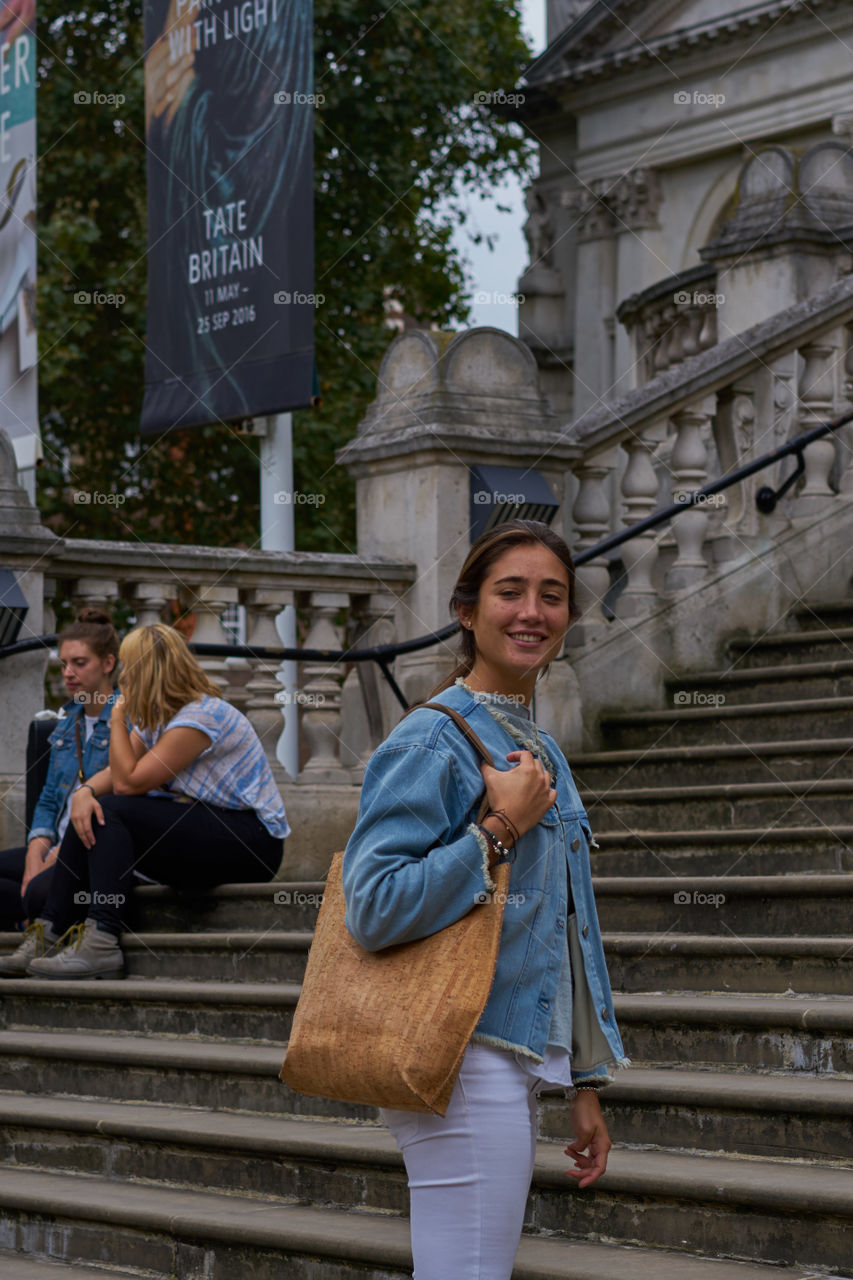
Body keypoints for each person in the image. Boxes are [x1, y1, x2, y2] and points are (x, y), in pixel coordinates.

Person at [342, 519, 628, 1280]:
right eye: (510, 592)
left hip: (512, 1050)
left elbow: (568, 926)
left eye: (551, 595)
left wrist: (584, 1081)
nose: (531, 611)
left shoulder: (539, 743)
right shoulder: (430, 740)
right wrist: (500, 828)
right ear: (466, 611)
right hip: (456, 1050)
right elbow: (371, 905)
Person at [0, 622, 289, 979]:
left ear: (145, 669)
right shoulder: (159, 720)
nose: (123, 675)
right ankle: (48, 932)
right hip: (205, 829)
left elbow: (127, 783)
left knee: (110, 810)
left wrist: (119, 716)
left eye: (127, 665)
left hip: (252, 840)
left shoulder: (200, 717)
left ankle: (102, 940)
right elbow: (111, 778)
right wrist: (84, 792)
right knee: (93, 806)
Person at [0, 608, 119, 931]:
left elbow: (118, 798)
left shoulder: (128, 719)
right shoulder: (67, 725)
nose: (68, 672)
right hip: (54, 848)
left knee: (38, 892)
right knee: (26, 883)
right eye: (64, 663)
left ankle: (35, 916)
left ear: (108, 663)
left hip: (88, 849)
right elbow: (49, 801)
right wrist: (34, 857)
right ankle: (31, 915)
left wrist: (52, 860)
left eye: (80, 663)